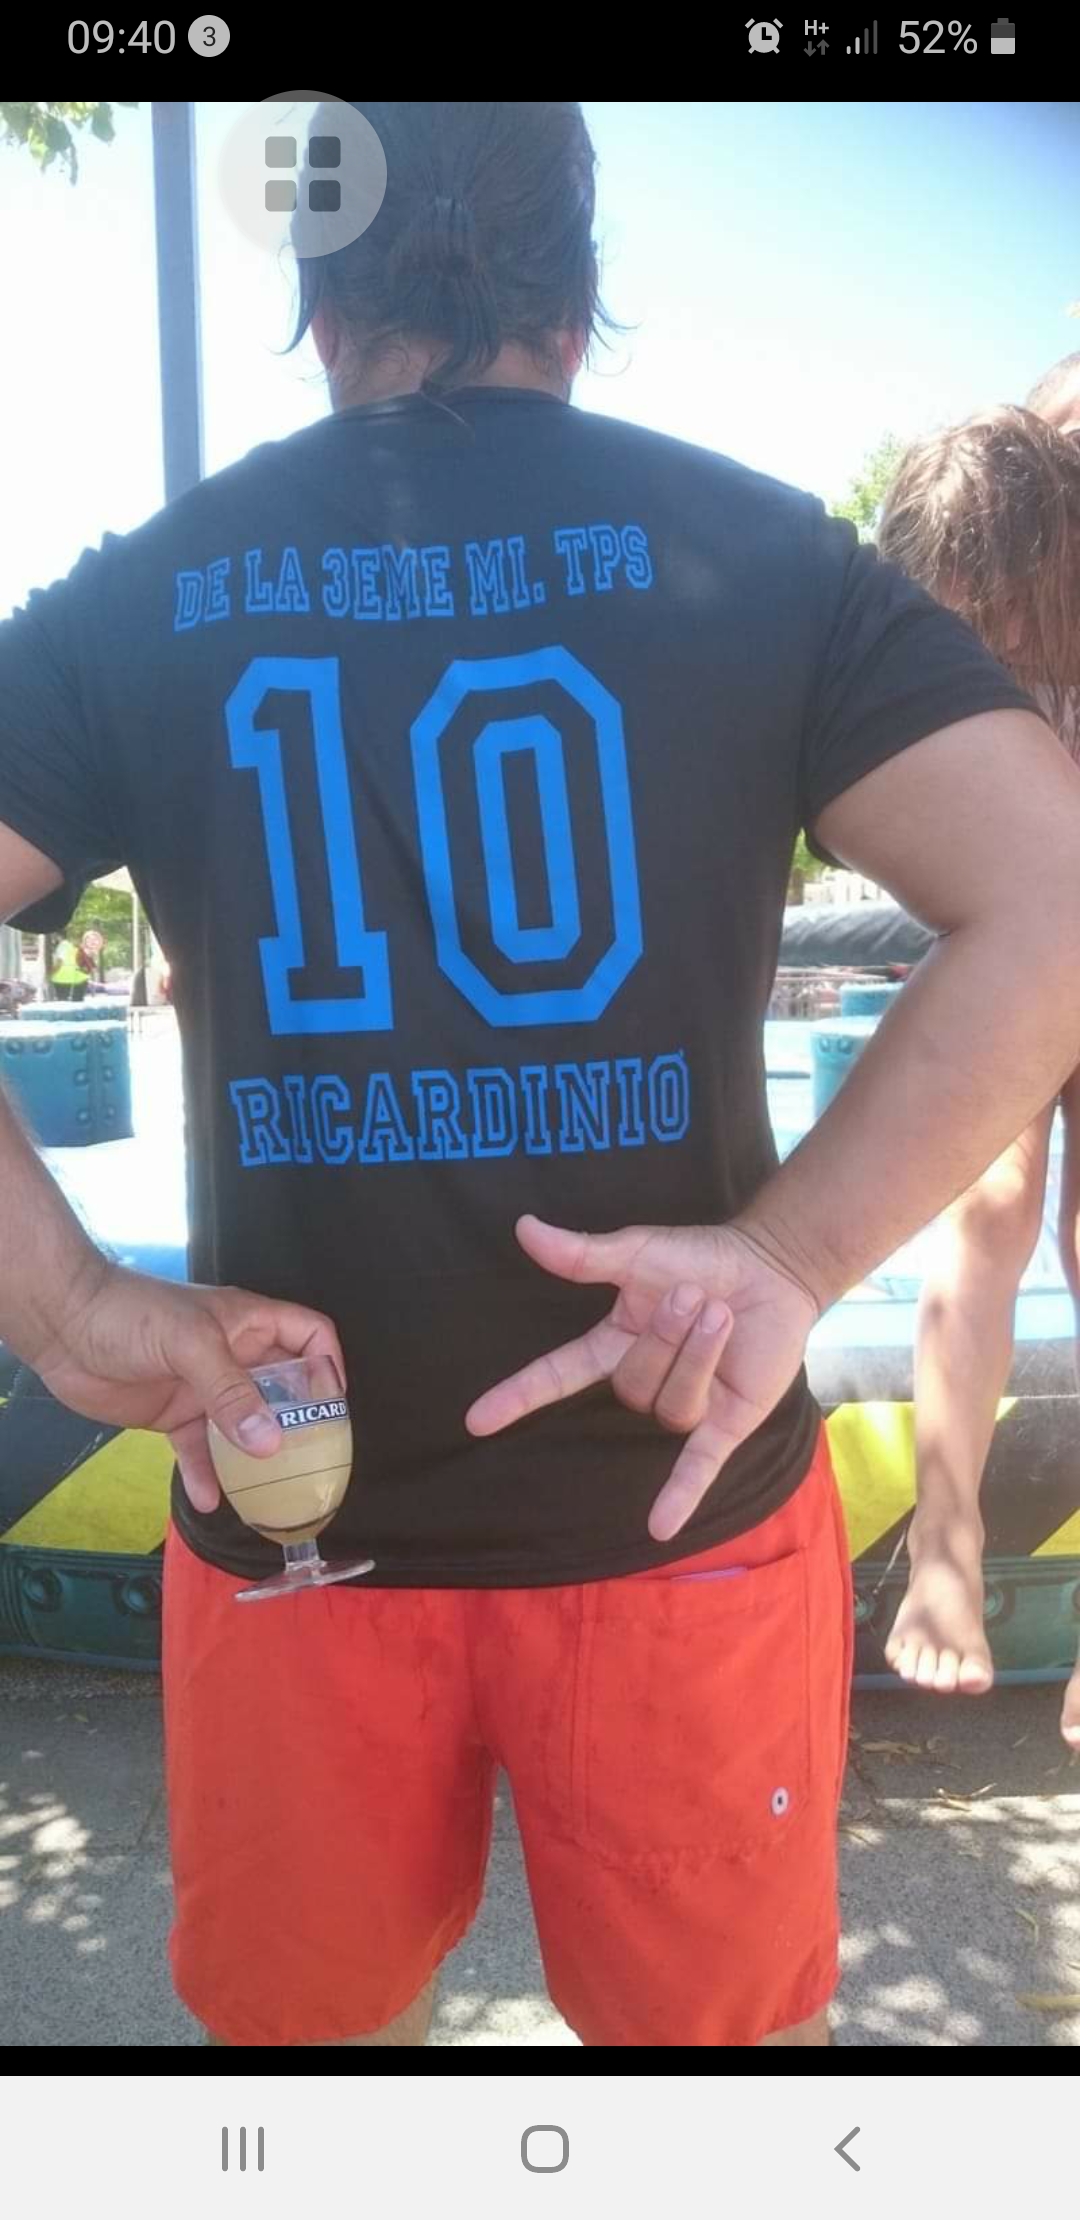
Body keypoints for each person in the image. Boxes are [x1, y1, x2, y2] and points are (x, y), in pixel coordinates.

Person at [1, 103, 1080, 2052]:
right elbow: (1058, 900)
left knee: (300, 2089)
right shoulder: (762, 554)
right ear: (577, 299)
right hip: (679, 1504)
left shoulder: (145, 594)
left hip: (292, 1503)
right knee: (708, 2088)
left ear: (318, 295)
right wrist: (792, 1257)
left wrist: (71, 1304)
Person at [877, 406, 1080, 1747]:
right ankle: (943, 1538)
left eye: (1009, 613)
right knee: (991, 1207)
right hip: (1018, 930)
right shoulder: (945, 650)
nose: (996, 640)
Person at [49, 933, 88, 1002]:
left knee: (62, 1003)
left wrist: (50, 974)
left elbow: (59, 962)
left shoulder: (63, 946)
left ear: (59, 936)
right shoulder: (72, 946)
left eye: (53, 936)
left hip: (62, 979)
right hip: (77, 979)